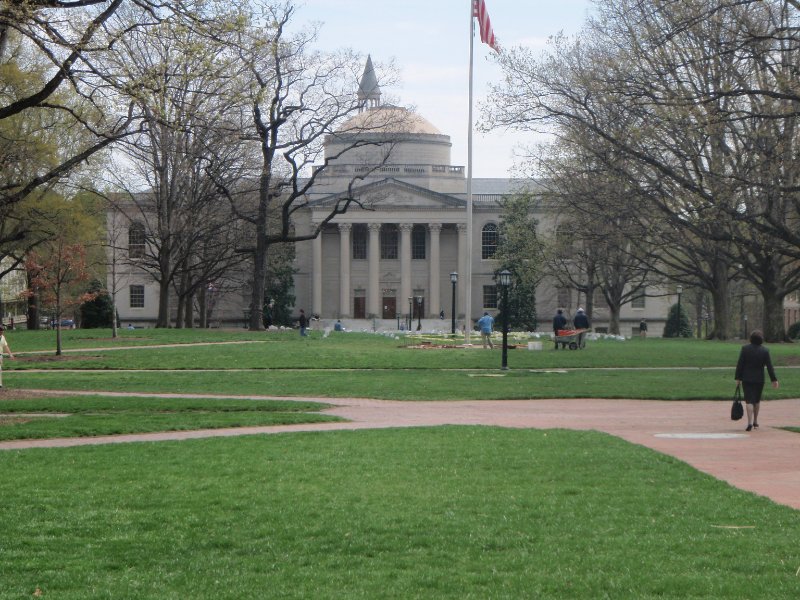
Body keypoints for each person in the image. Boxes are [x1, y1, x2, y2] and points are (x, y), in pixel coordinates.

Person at [735, 330, 779, 432]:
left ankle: (749, 422)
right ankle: (755, 421)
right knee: (757, 400)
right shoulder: (765, 351)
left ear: (751, 339)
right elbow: (769, 367)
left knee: (749, 401)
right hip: (759, 379)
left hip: (747, 378)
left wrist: (738, 377)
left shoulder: (745, 349)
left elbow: (740, 364)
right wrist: (774, 379)